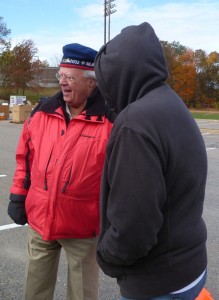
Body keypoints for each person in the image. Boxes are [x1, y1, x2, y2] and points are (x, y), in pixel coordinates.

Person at [94, 22, 208, 299]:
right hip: (189, 266)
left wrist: (107, 255)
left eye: (104, 80)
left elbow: (134, 225)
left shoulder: (135, 122)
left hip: (159, 280)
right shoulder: (172, 104)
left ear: (119, 75)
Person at [7, 43, 115, 300]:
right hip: (40, 219)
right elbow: (24, 159)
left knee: (82, 293)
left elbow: (119, 178)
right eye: (60, 76)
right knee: (34, 291)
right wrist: (18, 196)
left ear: (91, 82)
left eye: (70, 77)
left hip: (83, 227)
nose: (62, 82)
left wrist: (114, 220)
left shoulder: (110, 120)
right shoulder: (41, 112)